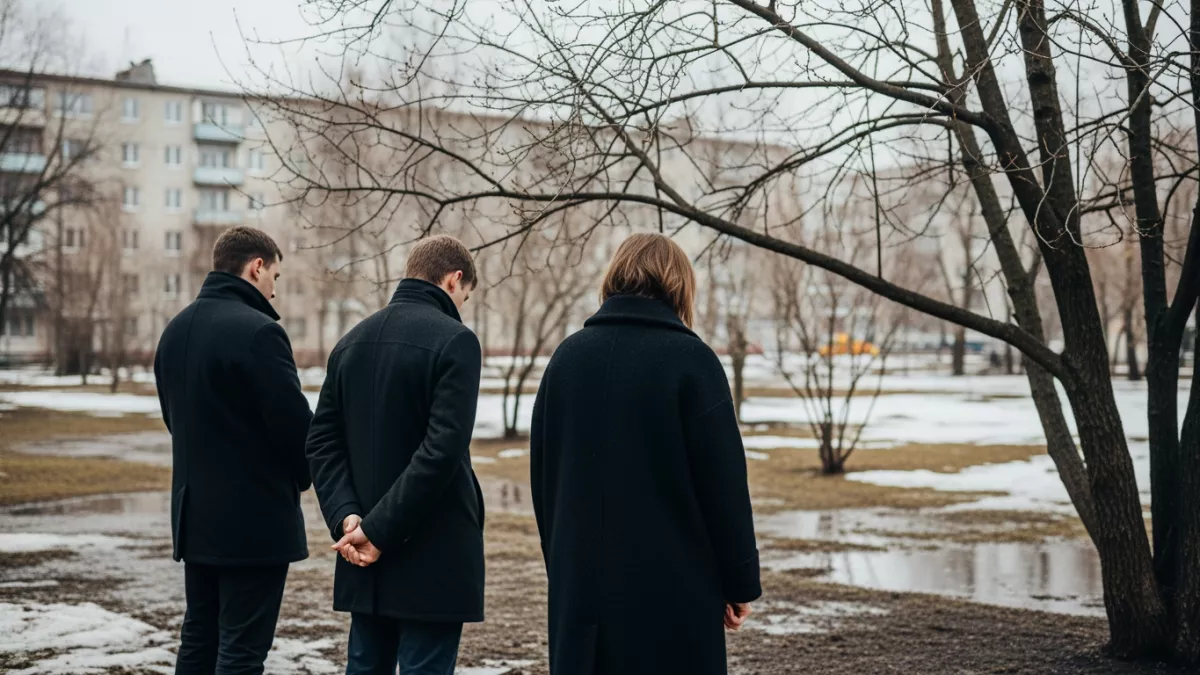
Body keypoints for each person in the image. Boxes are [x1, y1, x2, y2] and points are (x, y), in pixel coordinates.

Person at [530, 233, 761, 675]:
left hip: (582, 594)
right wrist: (738, 582)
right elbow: (723, 485)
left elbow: (544, 479)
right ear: (679, 285)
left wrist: (563, 564)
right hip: (674, 592)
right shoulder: (692, 361)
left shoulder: (566, 360)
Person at [306, 234, 484, 675]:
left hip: (361, 554)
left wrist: (349, 518)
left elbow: (321, 441)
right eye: (465, 295)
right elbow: (441, 450)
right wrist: (377, 533)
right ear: (453, 279)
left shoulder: (350, 342)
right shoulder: (456, 341)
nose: (462, 304)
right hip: (431, 553)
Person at [153, 226, 313, 675]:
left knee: (199, 638)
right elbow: (294, 428)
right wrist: (303, 474)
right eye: (275, 277)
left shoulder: (175, 330)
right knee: (242, 651)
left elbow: (173, 421)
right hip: (252, 524)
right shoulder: (260, 333)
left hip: (194, 520)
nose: (275, 290)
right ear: (256, 266)